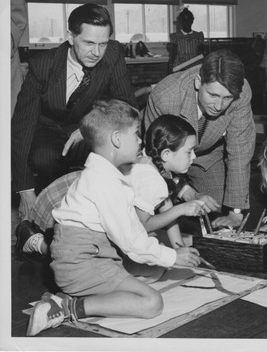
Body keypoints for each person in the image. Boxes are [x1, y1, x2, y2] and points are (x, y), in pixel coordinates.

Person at [26, 99, 202, 337]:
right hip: (83, 263)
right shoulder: (106, 183)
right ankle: (67, 307)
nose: (141, 141)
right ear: (117, 140)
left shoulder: (105, 174)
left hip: (91, 257)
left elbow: (131, 232)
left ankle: (71, 293)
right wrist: (172, 256)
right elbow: (131, 240)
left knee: (149, 271)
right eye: (136, 135)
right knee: (152, 302)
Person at [16, 114, 211, 261]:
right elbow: (143, 224)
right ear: (167, 154)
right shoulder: (151, 178)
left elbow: (165, 206)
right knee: (95, 254)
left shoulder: (154, 166)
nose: (194, 157)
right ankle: (37, 242)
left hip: (68, 193)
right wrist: (182, 209)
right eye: (189, 151)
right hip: (58, 207)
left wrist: (177, 248)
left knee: (142, 249)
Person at [11, 3, 138, 219]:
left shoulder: (113, 53)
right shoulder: (43, 65)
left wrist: (89, 127)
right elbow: (22, 128)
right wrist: (25, 191)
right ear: (70, 37)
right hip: (48, 131)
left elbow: (128, 106)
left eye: (102, 43)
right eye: (88, 43)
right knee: (43, 158)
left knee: (116, 149)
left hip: (85, 129)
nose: (96, 52)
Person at [144, 49, 256, 228]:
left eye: (227, 98)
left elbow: (240, 152)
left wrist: (235, 213)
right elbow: (154, 156)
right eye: (213, 95)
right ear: (198, 82)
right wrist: (187, 192)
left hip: (207, 155)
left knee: (215, 209)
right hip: (166, 157)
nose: (219, 106)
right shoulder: (165, 96)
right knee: (159, 209)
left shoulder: (241, 92)